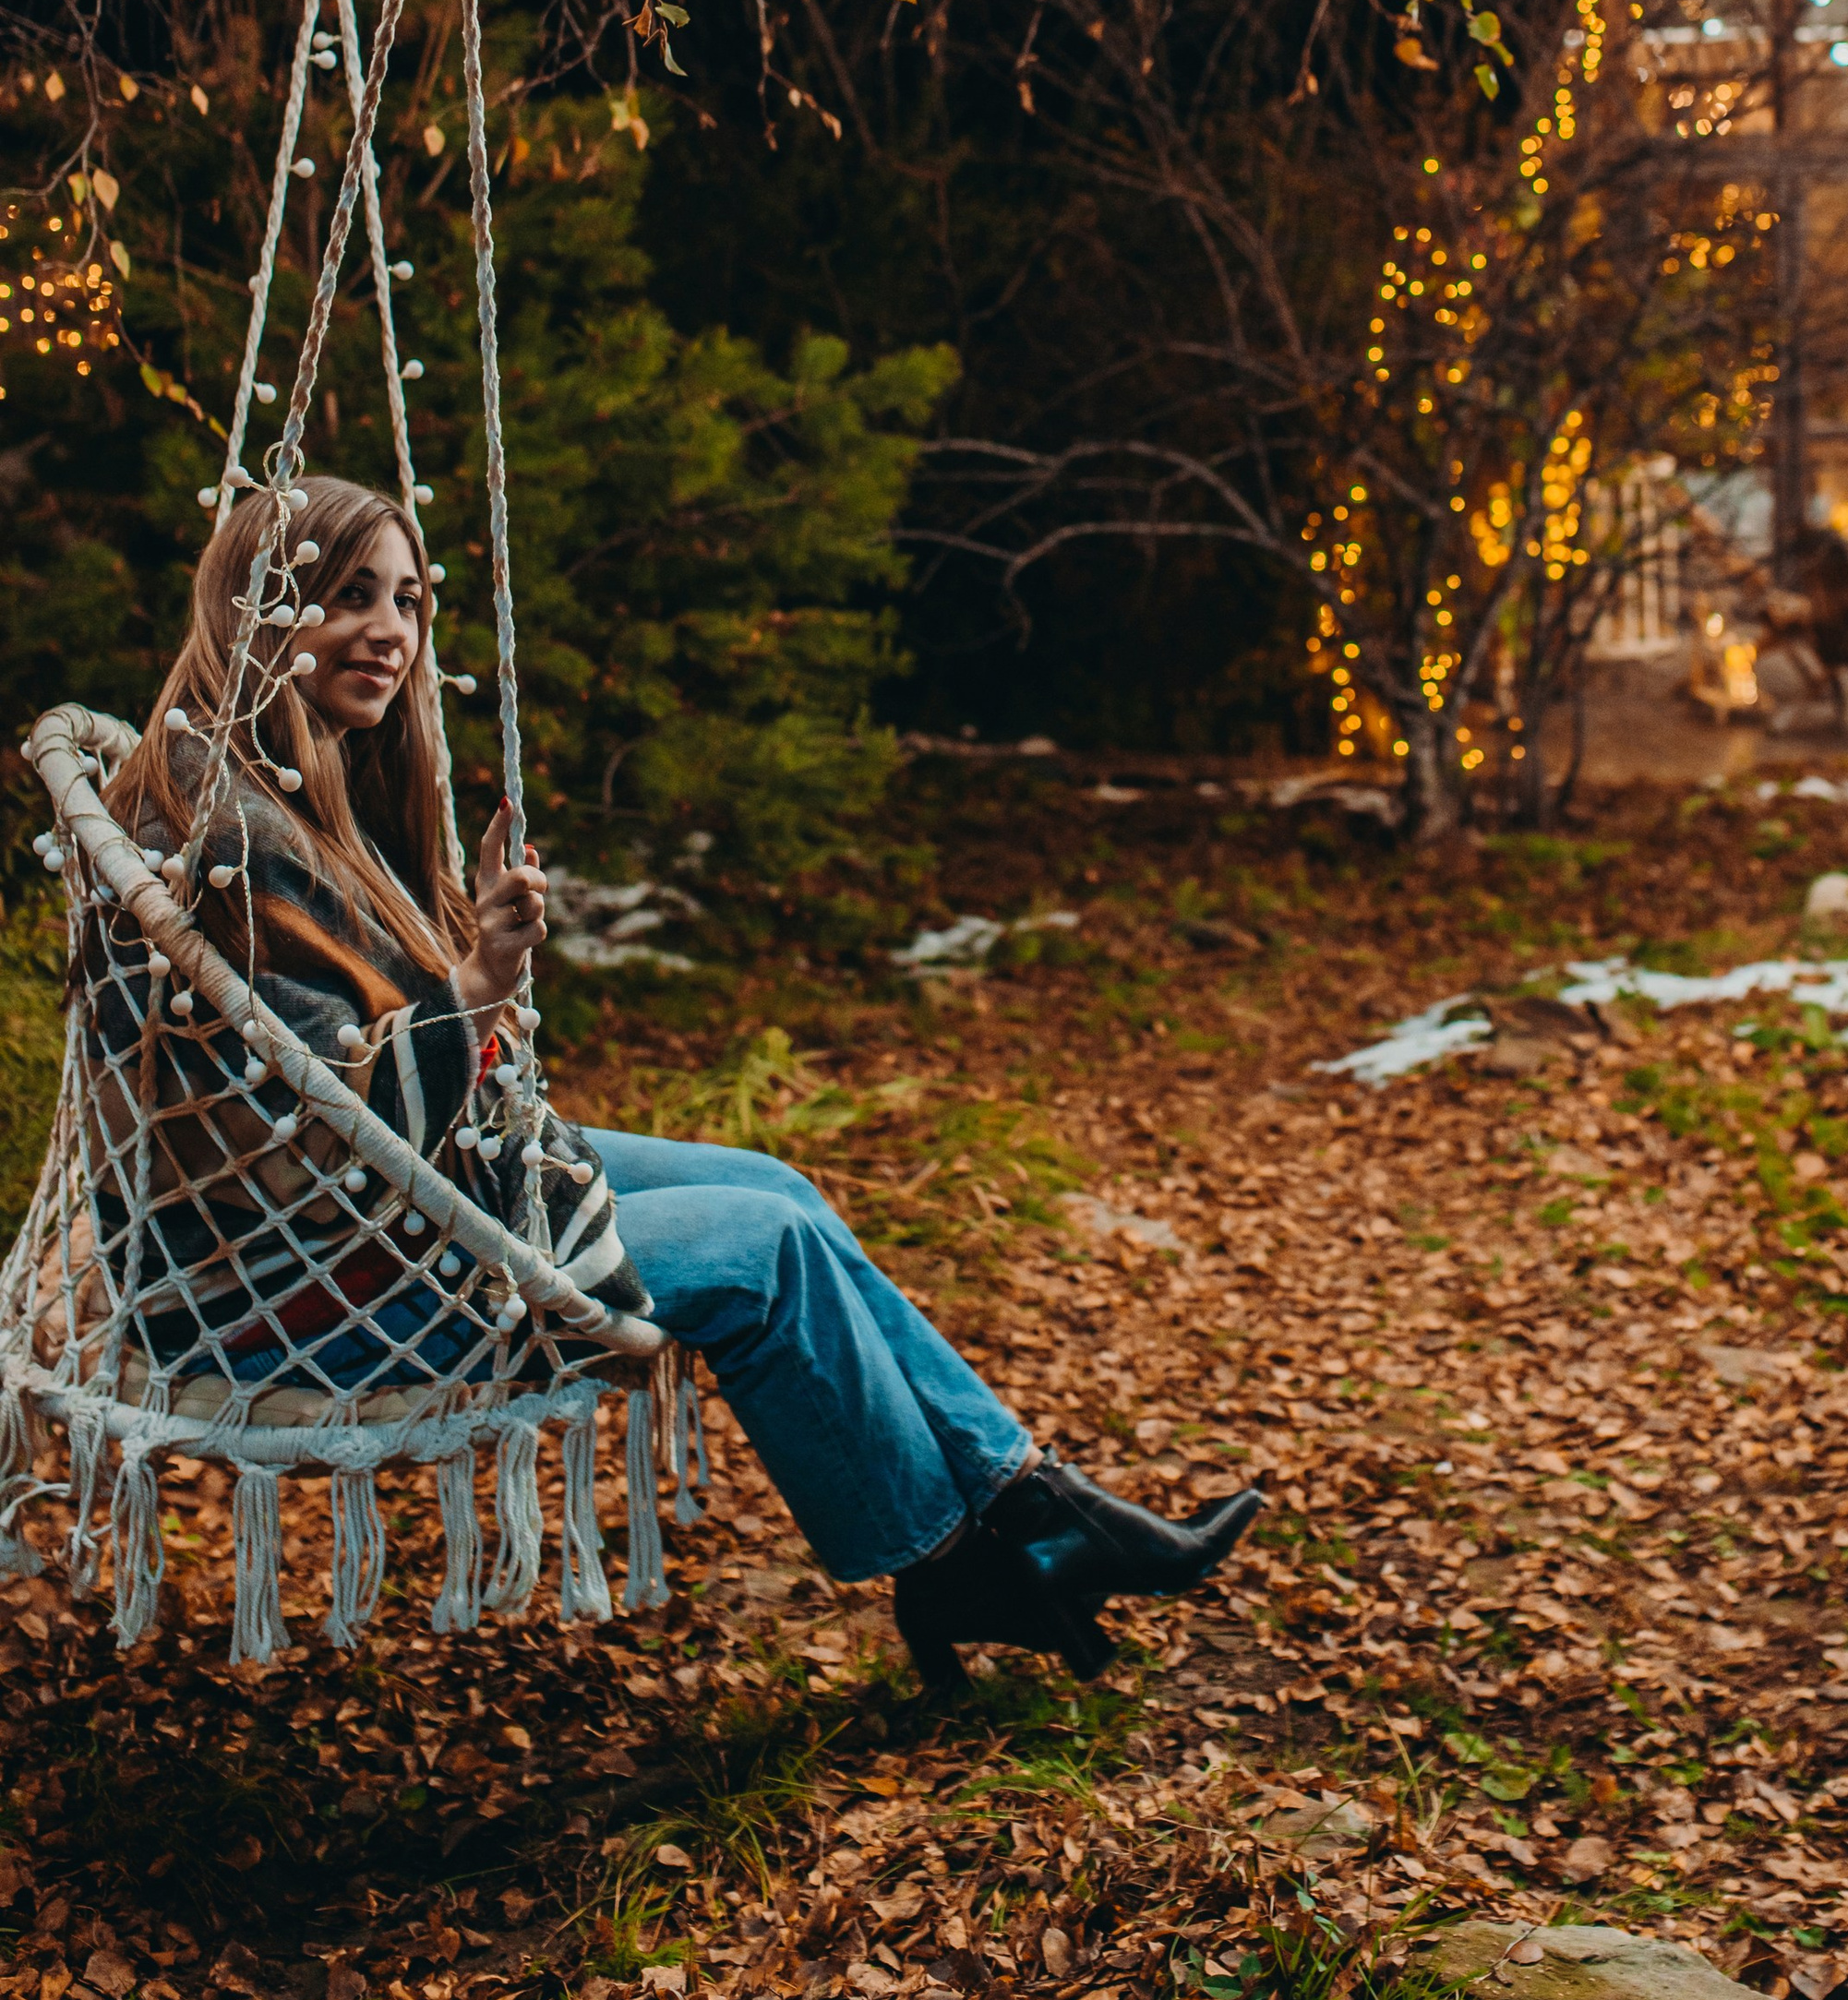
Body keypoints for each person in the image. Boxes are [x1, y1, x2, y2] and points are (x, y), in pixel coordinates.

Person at [91, 477, 1259, 1683]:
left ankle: (1034, 1507)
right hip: (307, 1296)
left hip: (353, 1230)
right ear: (254, 605)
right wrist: (485, 975)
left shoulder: (274, 794)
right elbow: (318, 1144)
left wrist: (465, 967)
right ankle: (964, 1558)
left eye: (405, 599)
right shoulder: (237, 845)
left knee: (779, 1186)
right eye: (348, 597)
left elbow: (336, 1095)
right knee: (760, 1251)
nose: (391, 630)